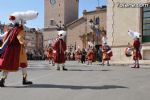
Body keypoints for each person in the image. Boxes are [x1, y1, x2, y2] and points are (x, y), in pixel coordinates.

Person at [0, 15, 35, 87]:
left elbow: (4, 40)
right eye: (23, 23)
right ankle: (24, 79)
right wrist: (23, 42)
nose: (23, 24)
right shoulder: (20, 30)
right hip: (18, 50)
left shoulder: (11, 30)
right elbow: (20, 38)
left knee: (7, 64)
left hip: (9, 50)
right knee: (24, 64)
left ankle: (2, 80)